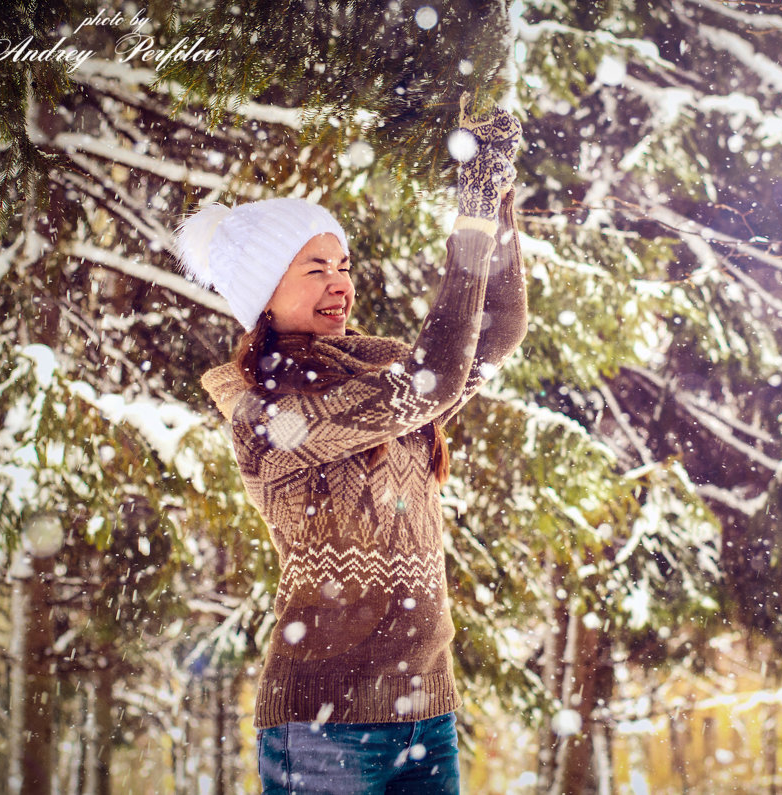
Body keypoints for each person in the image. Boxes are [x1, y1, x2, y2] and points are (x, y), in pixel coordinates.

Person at [179, 99, 525, 794]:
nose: (340, 280)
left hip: (426, 712)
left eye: (344, 263)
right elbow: (436, 378)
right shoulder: (267, 412)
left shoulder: (383, 370)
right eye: (314, 268)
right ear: (264, 297)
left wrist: (499, 189)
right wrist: (472, 209)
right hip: (322, 724)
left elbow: (498, 326)